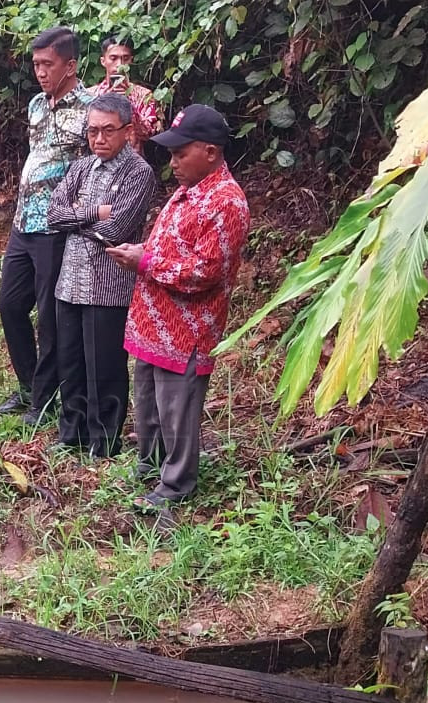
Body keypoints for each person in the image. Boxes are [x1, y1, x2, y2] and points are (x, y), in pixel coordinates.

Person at [106, 105, 250, 514]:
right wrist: (142, 253)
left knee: (177, 410)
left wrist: (145, 262)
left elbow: (203, 272)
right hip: (153, 321)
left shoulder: (227, 203)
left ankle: (176, 484)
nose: (173, 163)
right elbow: (172, 248)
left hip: (187, 329)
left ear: (210, 151)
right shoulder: (190, 190)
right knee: (149, 404)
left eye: (180, 154)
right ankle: (150, 465)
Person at [45, 93, 156, 459]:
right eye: (92, 131)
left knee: (104, 365)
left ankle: (104, 440)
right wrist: (95, 212)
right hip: (70, 282)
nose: (98, 139)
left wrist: (78, 216)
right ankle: (71, 432)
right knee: (70, 360)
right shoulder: (80, 167)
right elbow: (52, 215)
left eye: (108, 131)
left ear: (127, 131)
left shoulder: (138, 173)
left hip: (108, 286)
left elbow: (117, 229)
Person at [0, 25, 94, 425]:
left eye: (47, 64)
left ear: (70, 65)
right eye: (36, 64)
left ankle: (43, 401)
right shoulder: (37, 104)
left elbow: (94, 167)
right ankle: (27, 386)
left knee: (50, 316)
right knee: (10, 306)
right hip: (24, 222)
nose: (40, 72)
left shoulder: (92, 108)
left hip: (57, 228)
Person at [87, 36, 163, 154]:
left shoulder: (143, 95)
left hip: (132, 163)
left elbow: (148, 134)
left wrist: (130, 104)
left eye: (125, 59)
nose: (119, 64)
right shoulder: (90, 95)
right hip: (96, 161)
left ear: (131, 61)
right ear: (103, 61)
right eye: (113, 58)